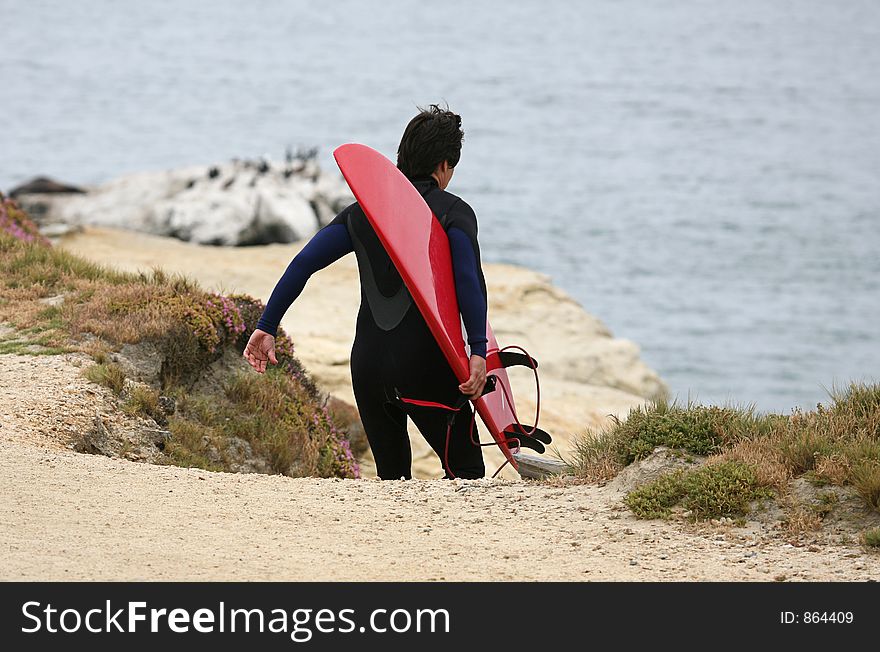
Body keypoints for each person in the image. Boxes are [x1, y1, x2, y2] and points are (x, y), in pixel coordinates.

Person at [243, 105, 489, 480]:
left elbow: (304, 263)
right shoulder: (454, 213)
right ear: (444, 165)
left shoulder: (361, 214)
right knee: (467, 472)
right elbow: (469, 281)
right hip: (428, 369)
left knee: (392, 478)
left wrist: (267, 325)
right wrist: (477, 350)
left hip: (368, 368)